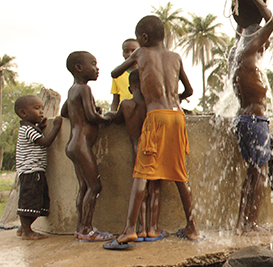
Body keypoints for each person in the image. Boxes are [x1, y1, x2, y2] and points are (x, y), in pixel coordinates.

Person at [106, 15, 198, 248]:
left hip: (156, 117)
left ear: (144, 38)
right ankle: (193, 227)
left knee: (142, 173)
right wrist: (175, 98)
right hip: (177, 117)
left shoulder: (141, 53)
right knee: (180, 175)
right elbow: (189, 90)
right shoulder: (175, 57)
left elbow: (115, 73)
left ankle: (129, 230)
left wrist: (135, 61)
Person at [228, 0, 273, 235]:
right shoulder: (248, 49)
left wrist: (242, 4)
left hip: (243, 119)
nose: (265, 45)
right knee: (259, 174)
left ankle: (241, 224)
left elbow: (243, 30)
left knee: (251, 174)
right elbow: (272, 22)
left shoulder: (236, 51)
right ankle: (251, 224)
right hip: (255, 121)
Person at [62, 51, 116, 242]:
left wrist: (88, 111)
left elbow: (64, 112)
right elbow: (92, 117)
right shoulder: (84, 89)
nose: (97, 68)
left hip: (73, 144)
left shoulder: (72, 90)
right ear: (79, 68)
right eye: (93, 64)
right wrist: (107, 117)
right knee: (95, 186)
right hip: (81, 144)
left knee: (84, 186)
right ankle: (86, 229)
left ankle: (80, 228)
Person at [111, 69, 162, 241]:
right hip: (152, 150)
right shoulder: (151, 106)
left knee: (140, 190)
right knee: (154, 188)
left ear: (130, 88)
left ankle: (140, 228)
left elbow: (115, 119)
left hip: (136, 151)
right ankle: (152, 228)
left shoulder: (126, 105)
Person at [13, 94, 63, 240]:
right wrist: (56, 127)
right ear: (23, 113)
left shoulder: (31, 129)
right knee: (29, 201)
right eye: (37, 108)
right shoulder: (28, 130)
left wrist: (40, 128)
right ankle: (27, 231)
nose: (41, 112)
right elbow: (45, 142)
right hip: (31, 172)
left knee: (38, 202)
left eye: (42, 108)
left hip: (35, 171)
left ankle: (24, 228)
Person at [110, 37, 138, 111]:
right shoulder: (117, 74)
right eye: (126, 51)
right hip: (124, 113)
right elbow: (115, 100)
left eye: (133, 51)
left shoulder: (145, 72)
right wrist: (112, 114)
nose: (130, 54)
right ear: (123, 54)